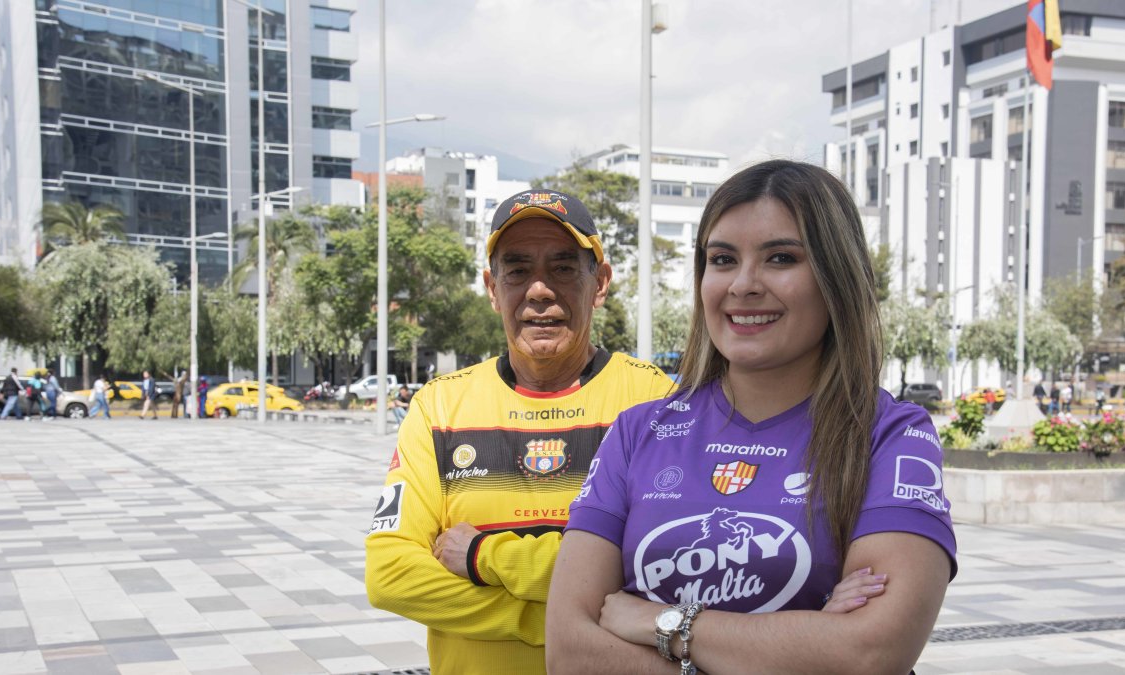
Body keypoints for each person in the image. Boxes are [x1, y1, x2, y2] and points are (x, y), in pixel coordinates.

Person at [546, 160, 957, 675]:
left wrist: (662, 624)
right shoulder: (637, 432)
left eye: (780, 258)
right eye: (722, 259)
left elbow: (869, 653)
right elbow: (569, 651)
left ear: (837, 276)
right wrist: (805, 643)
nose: (743, 284)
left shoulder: (892, 436)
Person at [364, 189, 677, 675]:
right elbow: (391, 574)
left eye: (563, 268)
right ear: (492, 288)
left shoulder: (653, 399)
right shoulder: (439, 406)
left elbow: (655, 560)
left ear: (600, 283)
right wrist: (551, 621)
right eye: (517, 270)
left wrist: (484, 556)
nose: (539, 290)